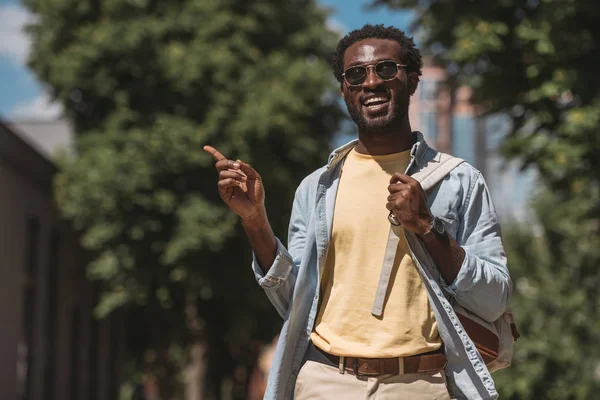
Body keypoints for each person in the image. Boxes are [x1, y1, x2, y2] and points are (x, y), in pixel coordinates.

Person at [204, 24, 511, 400]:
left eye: (385, 69)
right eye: (355, 74)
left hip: (421, 383)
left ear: (412, 80)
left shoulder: (460, 181)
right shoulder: (318, 187)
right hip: (326, 381)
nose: (371, 82)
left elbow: (495, 298)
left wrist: (428, 228)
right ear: (344, 90)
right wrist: (255, 221)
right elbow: (292, 303)